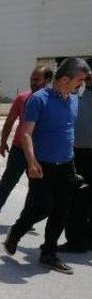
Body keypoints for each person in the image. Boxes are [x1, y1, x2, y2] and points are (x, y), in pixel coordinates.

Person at [3, 58, 91, 274]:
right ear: (64, 79)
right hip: (42, 164)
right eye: (79, 80)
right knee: (43, 207)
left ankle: (49, 253)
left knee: (62, 209)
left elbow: (67, 130)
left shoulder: (73, 100)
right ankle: (16, 231)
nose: (82, 84)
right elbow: (25, 133)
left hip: (67, 164)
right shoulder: (38, 100)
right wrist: (32, 161)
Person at [0, 66, 53, 224]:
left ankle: (26, 219)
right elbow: (9, 122)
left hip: (39, 153)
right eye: (31, 79)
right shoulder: (22, 98)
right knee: (8, 181)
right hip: (19, 149)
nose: (32, 83)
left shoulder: (52, 101)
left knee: (35, 187)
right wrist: (2, 142)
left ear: (47, 81)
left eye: (36, 80)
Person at [61, 74, 92, 252]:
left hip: (84, 153)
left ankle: (84, 240)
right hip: (78, 153)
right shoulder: (76, 96)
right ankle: (76, 241)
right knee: (76, 198)